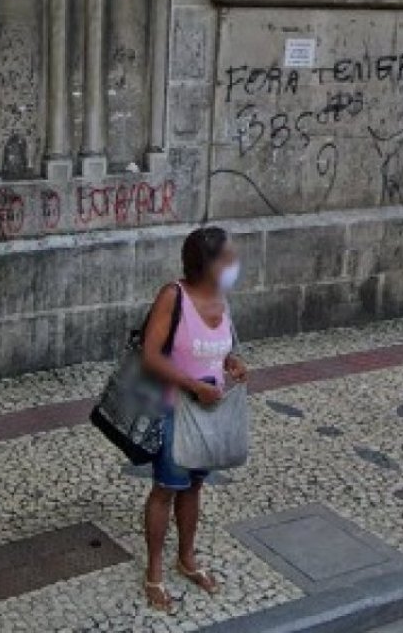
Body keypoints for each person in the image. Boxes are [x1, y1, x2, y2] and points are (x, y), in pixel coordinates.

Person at [140, 227, 247, 613]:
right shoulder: (174, 296)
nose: (235, 265)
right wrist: (191, 385)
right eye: (228, 258)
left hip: (209, 414)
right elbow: (150, 355)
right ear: (207, 262)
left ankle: (187, 559)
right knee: (165, 489)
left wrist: (231, 363)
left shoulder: (221, 297)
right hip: (174, 412)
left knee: (194, 488)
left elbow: (219, 350)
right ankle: (154, 573)